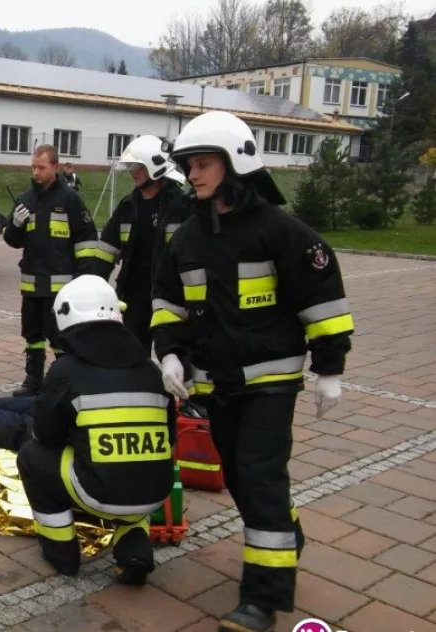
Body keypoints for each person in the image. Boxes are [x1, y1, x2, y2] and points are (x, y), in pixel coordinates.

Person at [152, 110, 354, 632]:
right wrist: (170, 353)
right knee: (240, 477)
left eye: (202, 164)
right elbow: (167, 304)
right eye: (188, 165)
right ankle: (285, 535)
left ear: (235, 163)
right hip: (217, 383)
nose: (192, 175)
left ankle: (262, 600)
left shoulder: (280, 232)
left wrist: (329, 369)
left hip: (270, 382)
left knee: (260, 477)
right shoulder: (188, 238)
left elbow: (323, 301)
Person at [16, 275, 175, 582]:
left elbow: (45, 435)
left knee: (32, 457)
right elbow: (168, 437)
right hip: (157, 489)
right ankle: (134, 552)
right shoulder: (151, 369)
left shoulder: (66, 371)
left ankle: (61, 553)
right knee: (134, 467)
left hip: (99, 492)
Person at [3, 145, 100, 396]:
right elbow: (13, 241)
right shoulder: (25, 199)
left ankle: (62, 382)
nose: (36, 172)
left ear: (55, 167)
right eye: (33, 167)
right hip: (32, 284)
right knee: (32, 334)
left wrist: (84, 278)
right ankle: (33, 380)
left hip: (61, 288)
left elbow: (87, 240)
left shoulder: (70, 199)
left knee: (60, 337)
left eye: (41, 167)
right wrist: (14, 225)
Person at [91, 135, 189, 351]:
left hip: (171, 296)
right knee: (135, 354)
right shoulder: (127, 207)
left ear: (156, 167)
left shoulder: (182, 206)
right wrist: (92, 284)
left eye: (138, 165)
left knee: (176, 354)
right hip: (134, 297)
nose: (132, 171)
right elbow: (106, 250)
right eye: (131, 165)